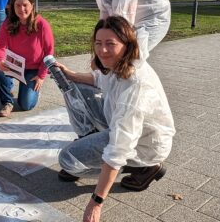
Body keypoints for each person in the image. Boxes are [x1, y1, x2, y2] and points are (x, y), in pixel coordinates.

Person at [51, 16, 175, 222]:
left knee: (67, 159)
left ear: (127, 45)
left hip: (145, 145)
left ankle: (143, 167)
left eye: (111, 44)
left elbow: (119, 148)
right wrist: (70, 75)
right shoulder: (121, 63)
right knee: (79, 90)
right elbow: (100, 78)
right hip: (127, 128)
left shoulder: (135, 88)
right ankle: (97, 150)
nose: (103, 50)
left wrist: (96, 203)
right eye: (98, 43)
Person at [0, 0, 55, 117]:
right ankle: (7, 102)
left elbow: (49, 52)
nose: (21, 9)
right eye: (18, 5)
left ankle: (31, 89)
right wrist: (1, 60)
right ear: (12, 7)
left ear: (32, 5)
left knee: (26, 105)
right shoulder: (7, 24)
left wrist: (41, 76)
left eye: (25, 5)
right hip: (14, 66)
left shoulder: (42, 25)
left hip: (33, 69)